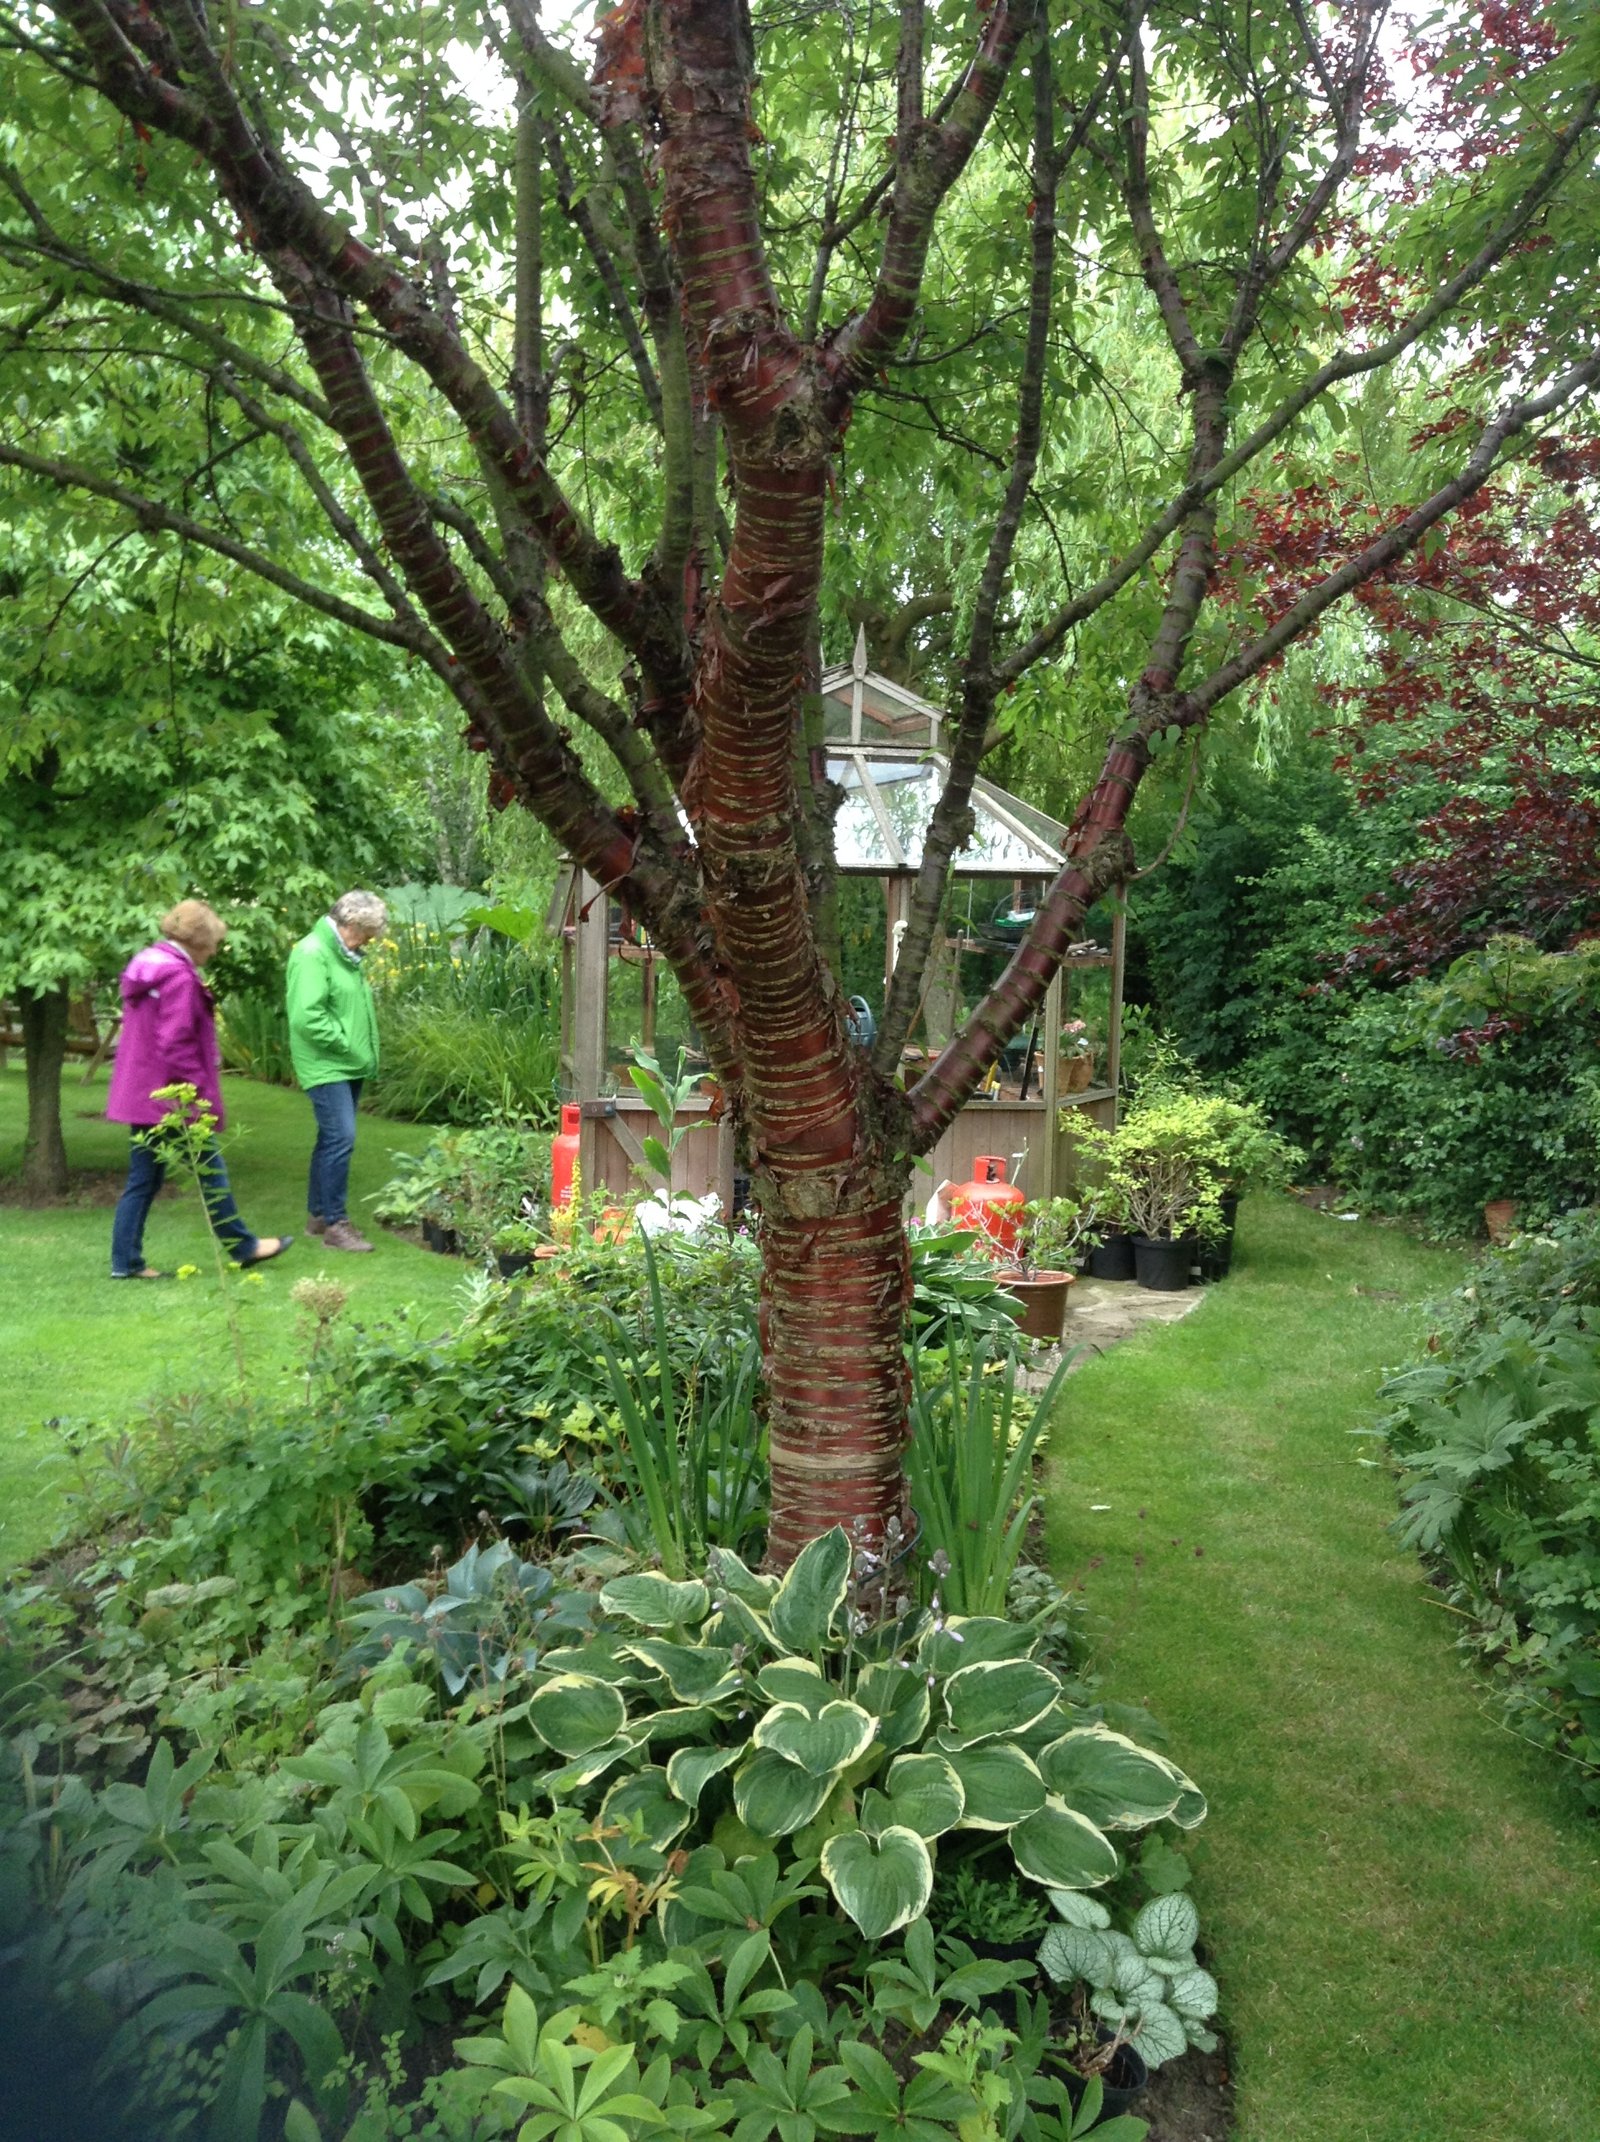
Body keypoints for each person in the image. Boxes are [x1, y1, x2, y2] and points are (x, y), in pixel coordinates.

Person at [105, 900, 293, 1280]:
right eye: (214, 943)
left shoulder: (149, 967)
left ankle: (125, 1262)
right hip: (171, 1097)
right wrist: (197, 1091)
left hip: (144, 1092)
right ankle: (243, 1247)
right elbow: (176, 1043)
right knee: (210, 1170)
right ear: (198, 940)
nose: (215, 950)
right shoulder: (179, 977)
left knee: (144, 1179)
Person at [286, 889, 387, 1252]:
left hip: (345, 1063)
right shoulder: (313, 953)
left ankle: (318, 1216)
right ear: (350, 924)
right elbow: (307, 1017)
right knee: (341, 1137)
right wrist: (346, 1044)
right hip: (327, 1062)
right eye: (366, 934)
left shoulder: (343, 955)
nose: (368, 941)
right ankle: (335, 1224)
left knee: (331, 1138)